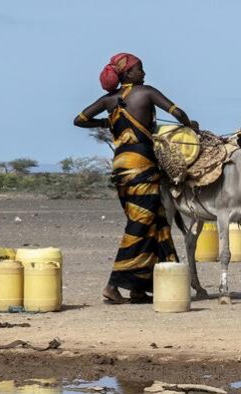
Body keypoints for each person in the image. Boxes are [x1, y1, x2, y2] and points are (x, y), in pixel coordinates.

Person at [74, 53, 198, 304]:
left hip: (120, 169)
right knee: (140, 223)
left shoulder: (109, 100)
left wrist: (107, 122)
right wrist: (190, 125)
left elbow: (79, 120)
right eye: (139, 69)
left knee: (156, 222)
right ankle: (113, 284)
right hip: (141, 167)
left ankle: (140, 288)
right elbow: (177, 112)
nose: (144, 73)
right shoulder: (146, 92)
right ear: (127, 74)